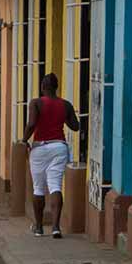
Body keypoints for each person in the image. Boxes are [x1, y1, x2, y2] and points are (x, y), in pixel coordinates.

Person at [24, 73, 80, 238]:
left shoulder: (36, 103)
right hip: (59, 147)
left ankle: (39, 227)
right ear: (57, 87)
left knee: (38, 188)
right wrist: (64, 116)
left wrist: (23, 139)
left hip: (40, 147)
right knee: (55, 185)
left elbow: (32, 124)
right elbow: (75, 126)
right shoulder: (66, 104)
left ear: (42, 86)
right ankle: (56, 227)